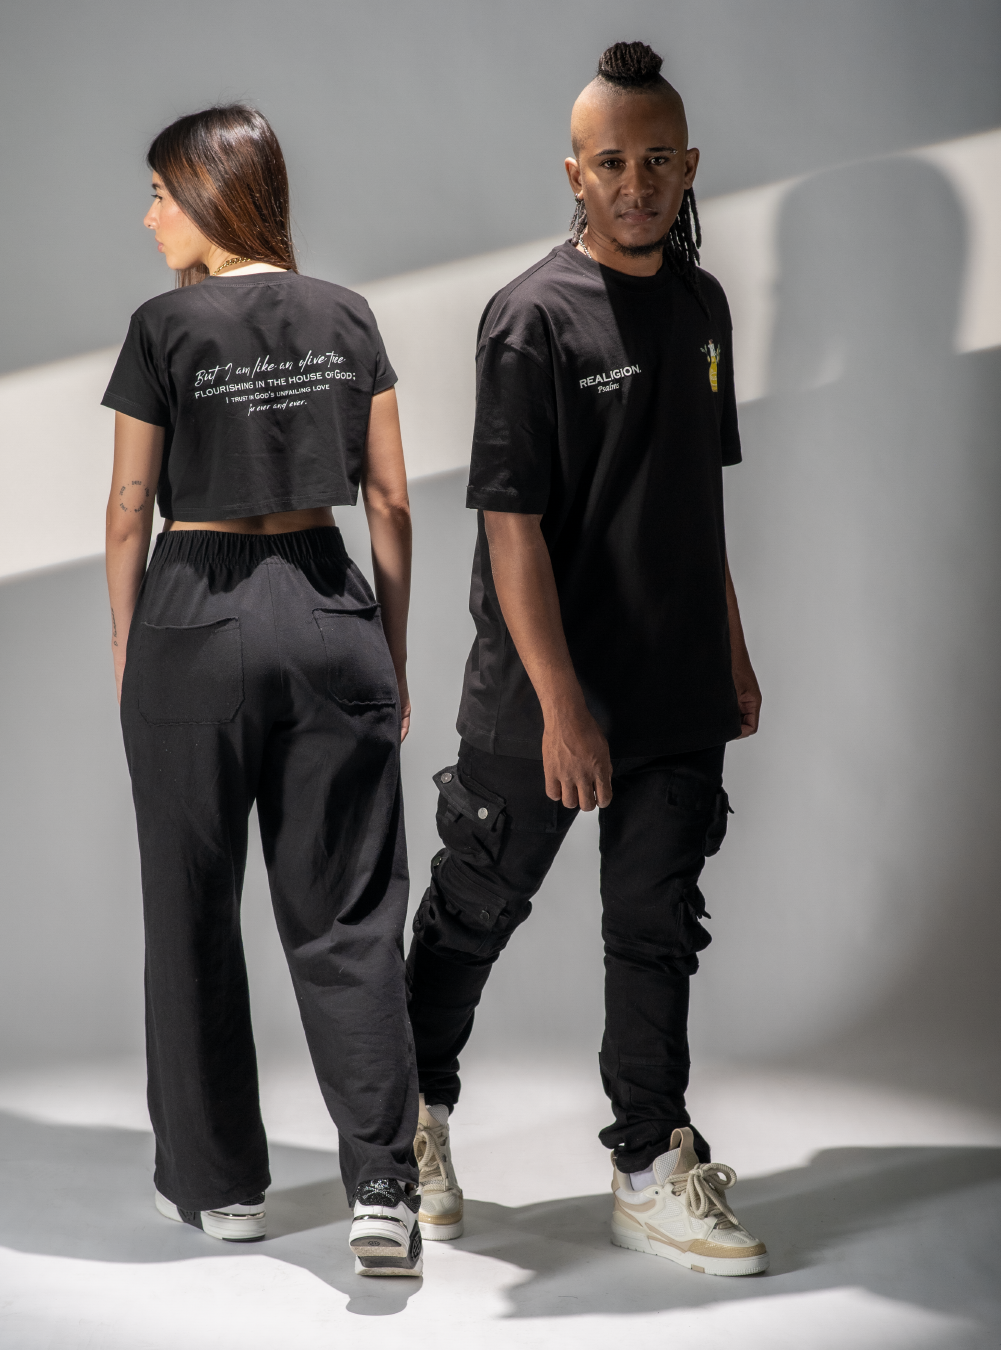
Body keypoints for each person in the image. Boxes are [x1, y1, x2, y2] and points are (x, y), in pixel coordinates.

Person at [406, 43, 768, 1276]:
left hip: (677, 690)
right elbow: (510, 529)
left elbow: (696, 502)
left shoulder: (703, 308)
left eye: (658, 160)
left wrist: (731, 652)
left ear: (689, 166)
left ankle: (648, 1164)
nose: (637, 183)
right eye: (612, 163)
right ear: (575, 174)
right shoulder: (532, 318)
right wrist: (564, 709)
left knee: (656, 927)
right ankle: (408, 1117)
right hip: (542, 692)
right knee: (474, 910)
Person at [103, 105, 423, 1278]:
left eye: (159, 193)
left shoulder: (161, 327)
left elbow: (128, 507)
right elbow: (390, 501)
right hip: (330, 606)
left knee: (190, 907)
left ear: (209, 194)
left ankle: (220, 1187)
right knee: (350, 912)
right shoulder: (350, 314)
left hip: (194, 612)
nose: (148, 216)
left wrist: (131, 648)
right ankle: (382, 1187)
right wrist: (390, 650)